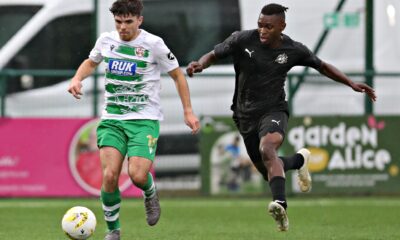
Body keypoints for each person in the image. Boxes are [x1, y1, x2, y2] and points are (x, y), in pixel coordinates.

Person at [186, 3, 376, 232]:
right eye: (260, 25)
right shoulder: (242, 40)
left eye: (268, 27)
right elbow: (214, 54)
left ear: (281, 26)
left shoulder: (294, 50)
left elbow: (322, 66)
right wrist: (200, 64)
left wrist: (351, 83)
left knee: (269, 149)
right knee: (268, 171)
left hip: (274, 110)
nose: (262, 31)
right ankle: (298, 161)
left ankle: (280, 204)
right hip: (244, 114)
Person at [68, 0, 200, 239]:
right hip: (112, 119)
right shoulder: (106, 41)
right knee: (109, 175)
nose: (123, 27)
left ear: (140, 20)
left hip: (144, 119)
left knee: (138, 175)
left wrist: (188, 111)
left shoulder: (154, 44)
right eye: (119, 22)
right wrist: (77, 78)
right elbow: (91, 62)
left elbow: (178, 76)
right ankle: (113, 231)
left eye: (128, 22)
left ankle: (149, 192)